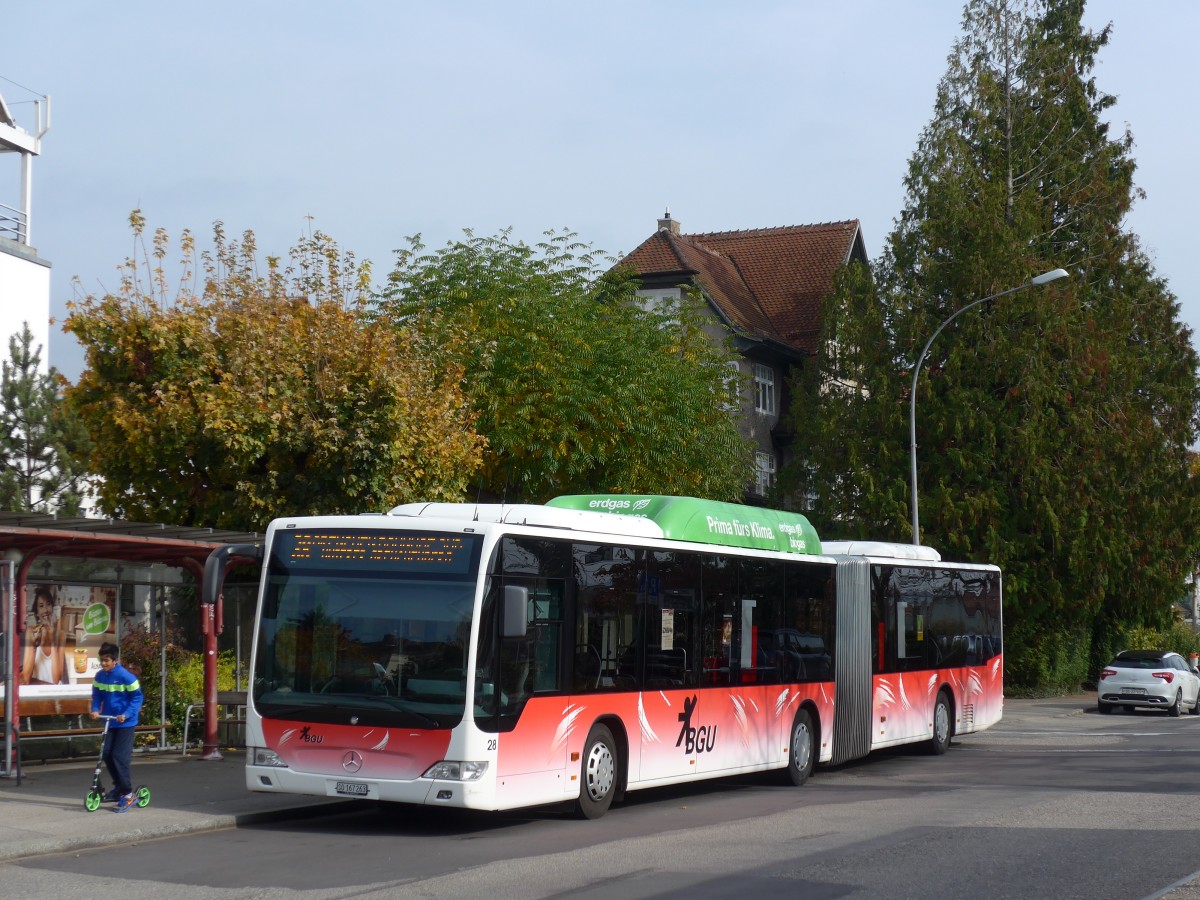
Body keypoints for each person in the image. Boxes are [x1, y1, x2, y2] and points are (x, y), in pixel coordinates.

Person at [90, 641, 144, 812]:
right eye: (102, 660)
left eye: (107, 660)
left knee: (119, 756)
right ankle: (119, 787)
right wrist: (95, 710)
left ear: (115, 660)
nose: (104, 664)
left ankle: (128, 794)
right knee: (106, 754)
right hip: (110, 721)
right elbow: (97, 695)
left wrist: (126, 714)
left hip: (125, 722)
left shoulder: (126, 677)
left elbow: (137, 698)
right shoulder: (100, 676)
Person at [21, 586, 65, 685]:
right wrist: (33, 647)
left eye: (48, 604)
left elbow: (56, 680)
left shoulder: (61, 635)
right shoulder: (31, 632)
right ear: (37, 613)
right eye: (41, 606)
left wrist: (53, 641)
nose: (45, 610)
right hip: (37, 689)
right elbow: (26, 678)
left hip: (54, 692)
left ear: (52, 608)